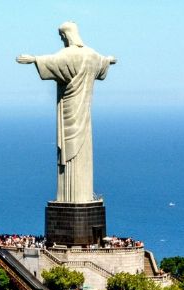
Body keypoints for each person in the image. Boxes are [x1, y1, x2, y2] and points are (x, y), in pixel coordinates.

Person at [17, 22, 116, 203]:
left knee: (70, 154)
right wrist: (109, 60)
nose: (62, 40)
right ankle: (81, 198)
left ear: (67, 35)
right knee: (81, 151)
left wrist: (34, 59)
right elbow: (102, 63)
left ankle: (72, 199)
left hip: (68, 110)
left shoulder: (69, 54)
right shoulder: (92, 55)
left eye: (62, 37)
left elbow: (55, 62)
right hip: (84, 115)